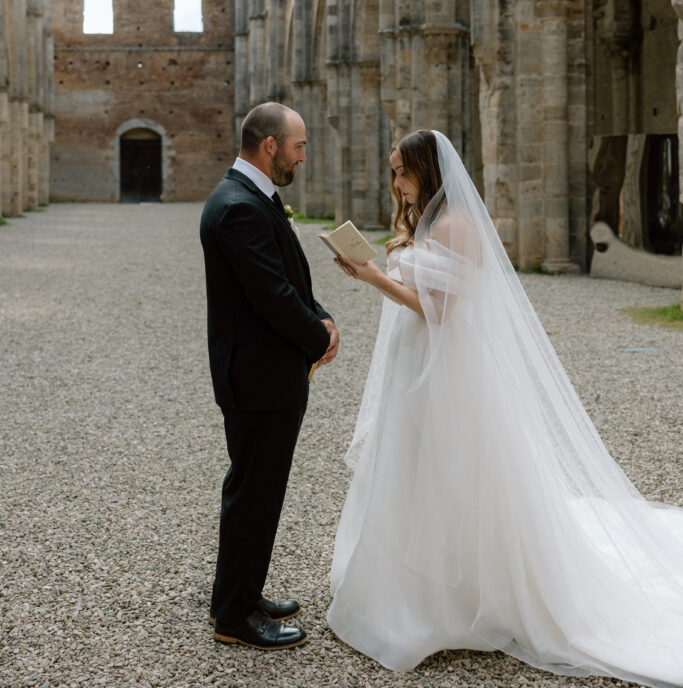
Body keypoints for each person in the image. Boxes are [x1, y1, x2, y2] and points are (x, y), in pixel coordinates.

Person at [327, 129, 683, 686]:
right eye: (393, 170)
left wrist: (375, 277)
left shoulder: (457, 226)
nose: (395, 182)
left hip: (449, 369)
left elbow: (440, 312)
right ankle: (405, 588)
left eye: (401, 170)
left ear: (427, 169)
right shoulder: (425, 219)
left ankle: (458, 596)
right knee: (412, 466)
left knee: (455, 471)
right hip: (417, 363)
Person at [200, 102, 339, 651]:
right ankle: (235, 618)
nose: (303, 156)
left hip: (263, 372)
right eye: (299, 146)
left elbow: (287, 277)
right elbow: (271, 296)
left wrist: (319, 314)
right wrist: (318, 336)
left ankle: (240, 596)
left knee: (256, 491)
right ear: (270, 146)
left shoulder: (249, 196)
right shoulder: (239, 206)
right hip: (259, 378)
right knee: (254, 495)